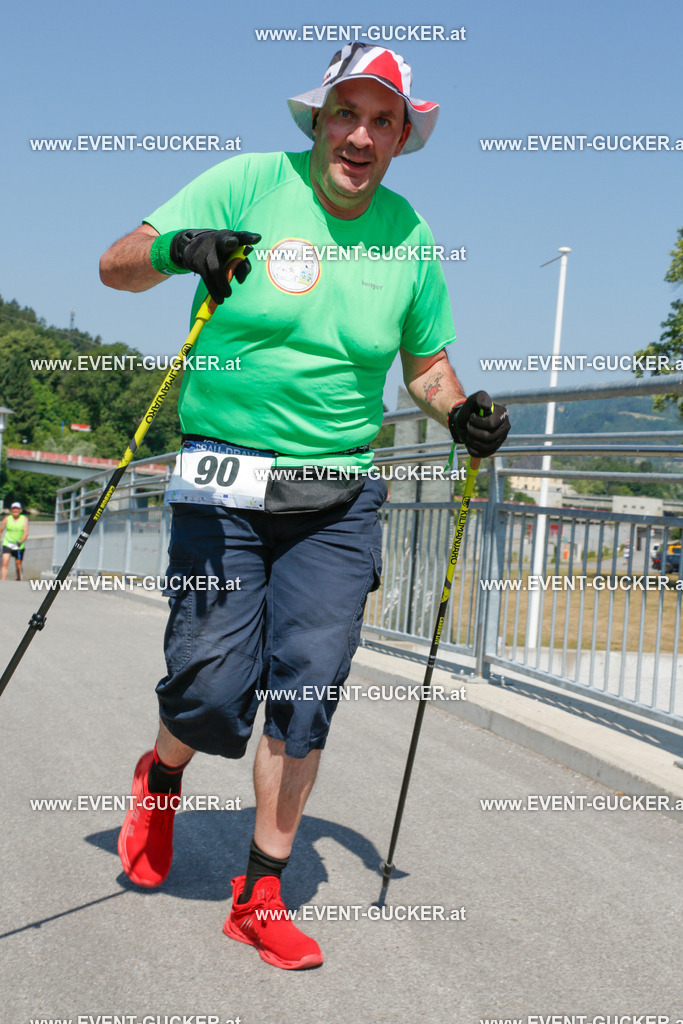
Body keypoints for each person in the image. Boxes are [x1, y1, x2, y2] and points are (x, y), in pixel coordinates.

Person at [100, 41, 510, 970]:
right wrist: (179, 248)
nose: (358, 136)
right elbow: (115, 265)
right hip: (224, 474)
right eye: (344, 114)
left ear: (402, 138)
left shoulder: (409, 236)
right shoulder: (248, 183)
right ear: (317, 120)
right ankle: (162, 775)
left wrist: (462, 413)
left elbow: (428, 367)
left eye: (381, 121)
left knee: (305, 693)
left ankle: (259, 893)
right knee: (209, 687)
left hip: (336, 495)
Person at [1, 501, 29, 581]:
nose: (15, 510)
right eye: (13, 509)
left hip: (18, 545)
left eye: (17, 509)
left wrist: (21, 542)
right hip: (8, 543)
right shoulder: (7, 518)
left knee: (18, 565)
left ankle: (19, 579)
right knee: (5, 562)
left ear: (20, 510)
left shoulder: (24, 519)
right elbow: (0, 530)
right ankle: (3, 582)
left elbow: (26, 532)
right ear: (11, 510)